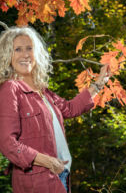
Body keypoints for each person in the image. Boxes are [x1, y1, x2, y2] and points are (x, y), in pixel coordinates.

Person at [0, 26, 110, 193]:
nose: (25, 54)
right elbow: (7, 143)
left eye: (29, 48)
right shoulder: (10, 89)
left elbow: (70, 109)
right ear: (8, 56)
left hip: (60, 176)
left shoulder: (42, 91)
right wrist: (47, 161)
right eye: (18, 50)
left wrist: (99, 83)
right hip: (37, 180)